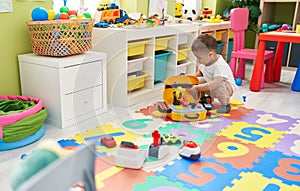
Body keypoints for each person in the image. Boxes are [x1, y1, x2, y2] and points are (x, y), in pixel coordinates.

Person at [188, 34, 237, 113]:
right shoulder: (206, 61)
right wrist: (191, 78)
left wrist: (198, 88)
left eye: (199, 58)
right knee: (197, 81)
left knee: (219, 84)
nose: (198, 60)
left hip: (226, 88)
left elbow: (216, 83)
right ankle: (203, 99)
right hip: (211, 82)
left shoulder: (219, 65)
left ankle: (225, 104)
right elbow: (201, 72)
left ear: (210, 54)